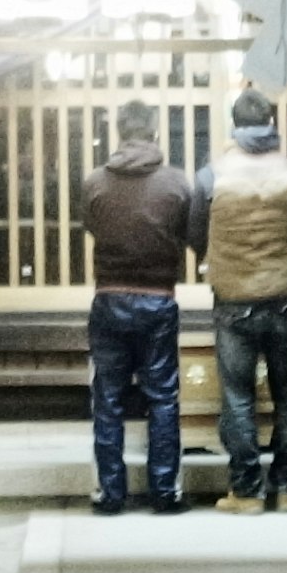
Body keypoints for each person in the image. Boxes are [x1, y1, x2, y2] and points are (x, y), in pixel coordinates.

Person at [191, 86, 287, 513]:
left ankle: (245, 492)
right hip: (283, 299)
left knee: (239, 398)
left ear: (234, 125)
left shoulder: (212, 175)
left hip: (233, 301)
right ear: (272, 123)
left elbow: (195, 234)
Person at [75, 99, 190, 516]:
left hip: (109, 295)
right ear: (155, 132)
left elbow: (91, 225)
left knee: (108, 398)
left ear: (120, 134)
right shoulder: (177, 184)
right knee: (163, 397)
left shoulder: (94, 183)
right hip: (159, 297)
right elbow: (186, 232)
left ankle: (110, 494)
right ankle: (165, 492)